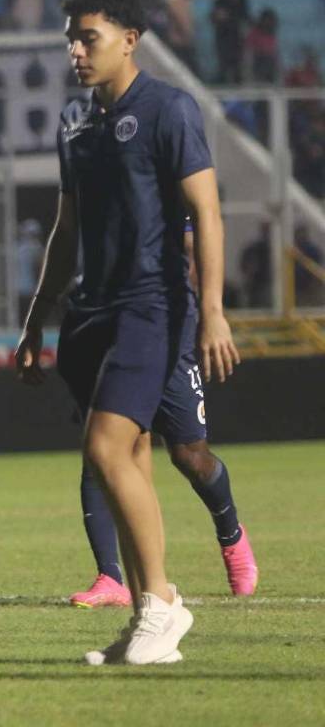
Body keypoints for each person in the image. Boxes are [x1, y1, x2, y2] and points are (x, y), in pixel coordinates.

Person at [16, 0, 242, 665]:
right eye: (71, 38)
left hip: (152, 305)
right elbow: (67, 224)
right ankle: (153, 615)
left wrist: (212, 311)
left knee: (106, 450)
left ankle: (160, 605)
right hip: (88, 314)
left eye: (89, 37)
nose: (76, 50)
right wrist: (36, 318)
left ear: (129, 40)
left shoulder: (169, 109)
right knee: (130, 459)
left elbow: (205, 213)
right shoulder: (73, 121)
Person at [67, 221, 258, 610]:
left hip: (164, 325)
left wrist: (211, 312)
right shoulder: (88, 168)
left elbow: (196, 243)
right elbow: (67, 230)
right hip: (105, 321)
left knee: (190, 455)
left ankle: (231, 534)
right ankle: (111, 576)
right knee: (103, 449)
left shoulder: (162, 173)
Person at [210, 0, 249, 85]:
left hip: (236, 37)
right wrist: (219, 17)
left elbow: (245, 18)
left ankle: (238, 84)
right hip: (223, 37)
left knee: (237, 65)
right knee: (223, 64)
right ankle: (222, 82)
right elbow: (213, 17)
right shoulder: (221, 1)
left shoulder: (242, 1)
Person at [165, 0, 198, 75]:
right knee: (185, 66)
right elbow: (176, 18)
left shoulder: (186, 0)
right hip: (179, 39)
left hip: (185, 38)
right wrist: (185, 33)